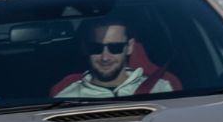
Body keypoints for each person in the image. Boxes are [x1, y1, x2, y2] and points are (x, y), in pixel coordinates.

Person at [52, 21, 180, 99]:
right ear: (85, 48)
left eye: (115, 47)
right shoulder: (65, 97)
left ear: (129, 47)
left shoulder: (163, 89)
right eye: (95, 48)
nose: (105, 57)